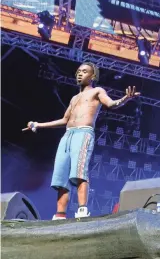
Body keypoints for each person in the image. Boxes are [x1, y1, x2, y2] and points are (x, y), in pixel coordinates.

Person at [23, 62, 140, 219]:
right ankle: (60, 214)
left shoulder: (97, 91)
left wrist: (125, 99)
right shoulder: (74, 98)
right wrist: (38, 125)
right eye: (78, 71)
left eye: (84, 72)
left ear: (93, 76)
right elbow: (64, 120)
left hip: (83, 134)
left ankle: (82, 209)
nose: (79, 74)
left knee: (79, 172)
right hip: (67, 135)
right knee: (61, 176)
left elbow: (111, 104)